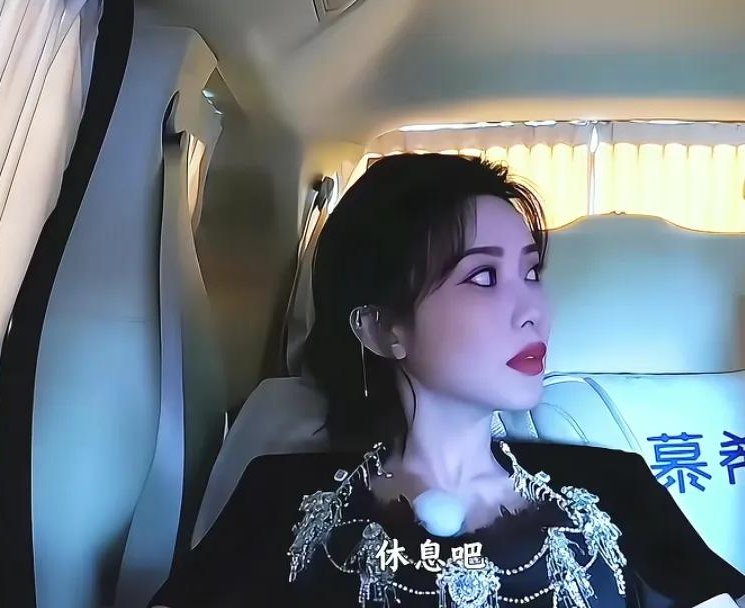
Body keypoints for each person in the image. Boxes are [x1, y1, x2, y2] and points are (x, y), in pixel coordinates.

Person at [151, 154, 745, 608]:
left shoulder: (614, 487)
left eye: (531, 272)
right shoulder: (277, 499)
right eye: (483, 277)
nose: (533, 310)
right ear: (382, 328)